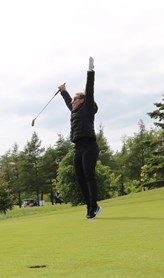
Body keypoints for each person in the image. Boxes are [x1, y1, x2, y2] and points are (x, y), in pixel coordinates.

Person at [58, 57, 102, 219]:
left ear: (82, 100)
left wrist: (90, 71)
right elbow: (67, 101)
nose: (72, 102)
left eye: (75, 99)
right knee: (80, 177)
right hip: (78, 147)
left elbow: (89, 89)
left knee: (89, 175)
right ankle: (89, 207)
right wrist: (63, 91)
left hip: (90, 145)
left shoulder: (88, 107)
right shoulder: (74, 110)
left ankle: (94, 207)